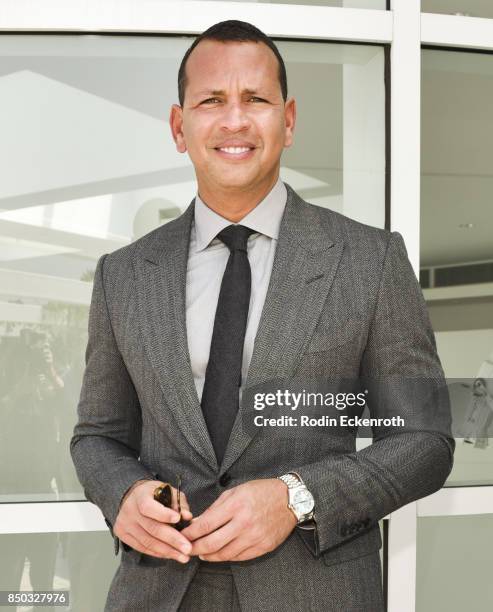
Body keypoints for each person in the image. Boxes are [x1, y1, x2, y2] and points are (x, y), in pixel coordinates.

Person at [71, 20, 455, 612]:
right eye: (211, 101)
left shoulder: (370, 259)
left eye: (256, 99)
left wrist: (297, 497)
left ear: (289, 120)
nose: (234, 121)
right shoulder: (122, 274)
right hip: (158, 591)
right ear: (180, 126)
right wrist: (122, 494)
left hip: (315, 593)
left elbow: (426, 439)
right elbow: (98, 436)